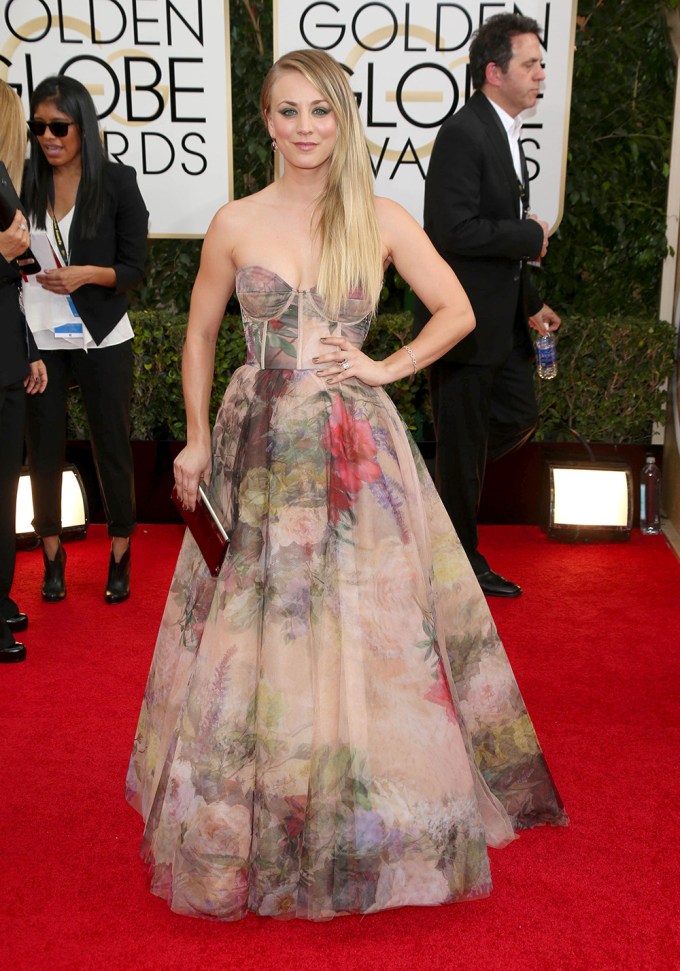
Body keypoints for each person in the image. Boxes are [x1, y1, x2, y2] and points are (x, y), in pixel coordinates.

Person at [127, 48, 567, 922]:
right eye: (287, 112)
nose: (304, 128)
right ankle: (262, 802)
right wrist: (195, 437)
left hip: (350, 448)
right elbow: (200, 335)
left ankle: (358, 806)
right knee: (256, 624)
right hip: (254, 446)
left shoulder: (382, 216)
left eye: (320, 111)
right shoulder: (234, 221)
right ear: (265, 121)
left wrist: (381, 366)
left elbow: (461, 310)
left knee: (367, 622)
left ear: (343, 118)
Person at [415, 13, 561, 598]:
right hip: (463, 326)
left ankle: (426, 493)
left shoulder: (500, 130)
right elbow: (450, 231)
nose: (541, 74)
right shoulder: (464, 132)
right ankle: (460, 564)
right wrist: (529, 235)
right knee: (465, 446)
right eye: (530, 63)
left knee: (517, 416)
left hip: (500, 325)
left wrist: (534, 299)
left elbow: (492, 240)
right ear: (493, 71)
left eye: (542, 63)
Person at [22, 75, 148, 604]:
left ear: (83, 127)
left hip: (102, 332)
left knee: (111, 446)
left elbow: (134, 268)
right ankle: (52, 554)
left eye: (58, 126)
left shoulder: (117, 181)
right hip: (38, 334)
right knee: (43, 448)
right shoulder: (25, 179)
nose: (48, 136)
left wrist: (85, 274)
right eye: (38, 127)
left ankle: (120, 551)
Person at [0, 81, 48, 663]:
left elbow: (15, 275)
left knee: (6, 487)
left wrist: (30, 346)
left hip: (8, 355)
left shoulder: (4, 174)